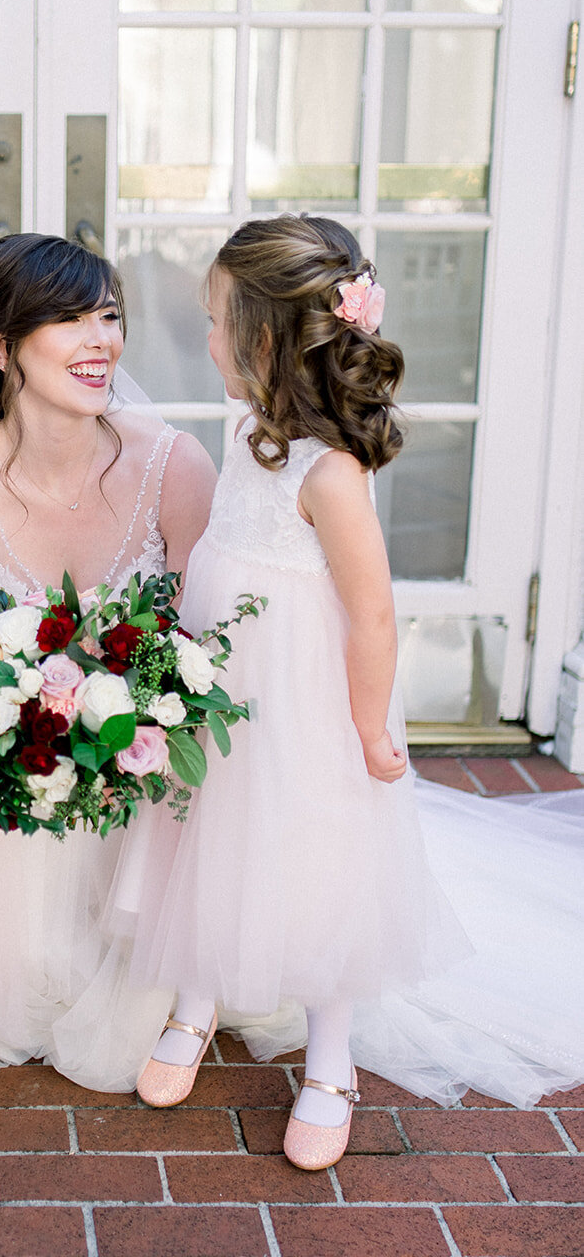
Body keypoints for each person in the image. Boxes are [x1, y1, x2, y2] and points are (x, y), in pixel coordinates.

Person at [128, 213, 584, 1163]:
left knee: (313, 854)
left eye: (216, 322)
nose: (203, 339)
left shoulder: (330, 471)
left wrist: (368, 728)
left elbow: (370, 613)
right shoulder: (252, 428)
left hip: (304, 700)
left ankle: (330, 1053)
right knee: (207, 823)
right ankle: (197, 994)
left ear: (262, 341)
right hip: (225, 684)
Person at [0, 233, 218, 1077]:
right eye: (68, 320)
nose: (101, 341)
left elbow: (214, 647)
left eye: (109, 316)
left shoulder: (172, 464)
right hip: (25, 787)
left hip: (153, 791)